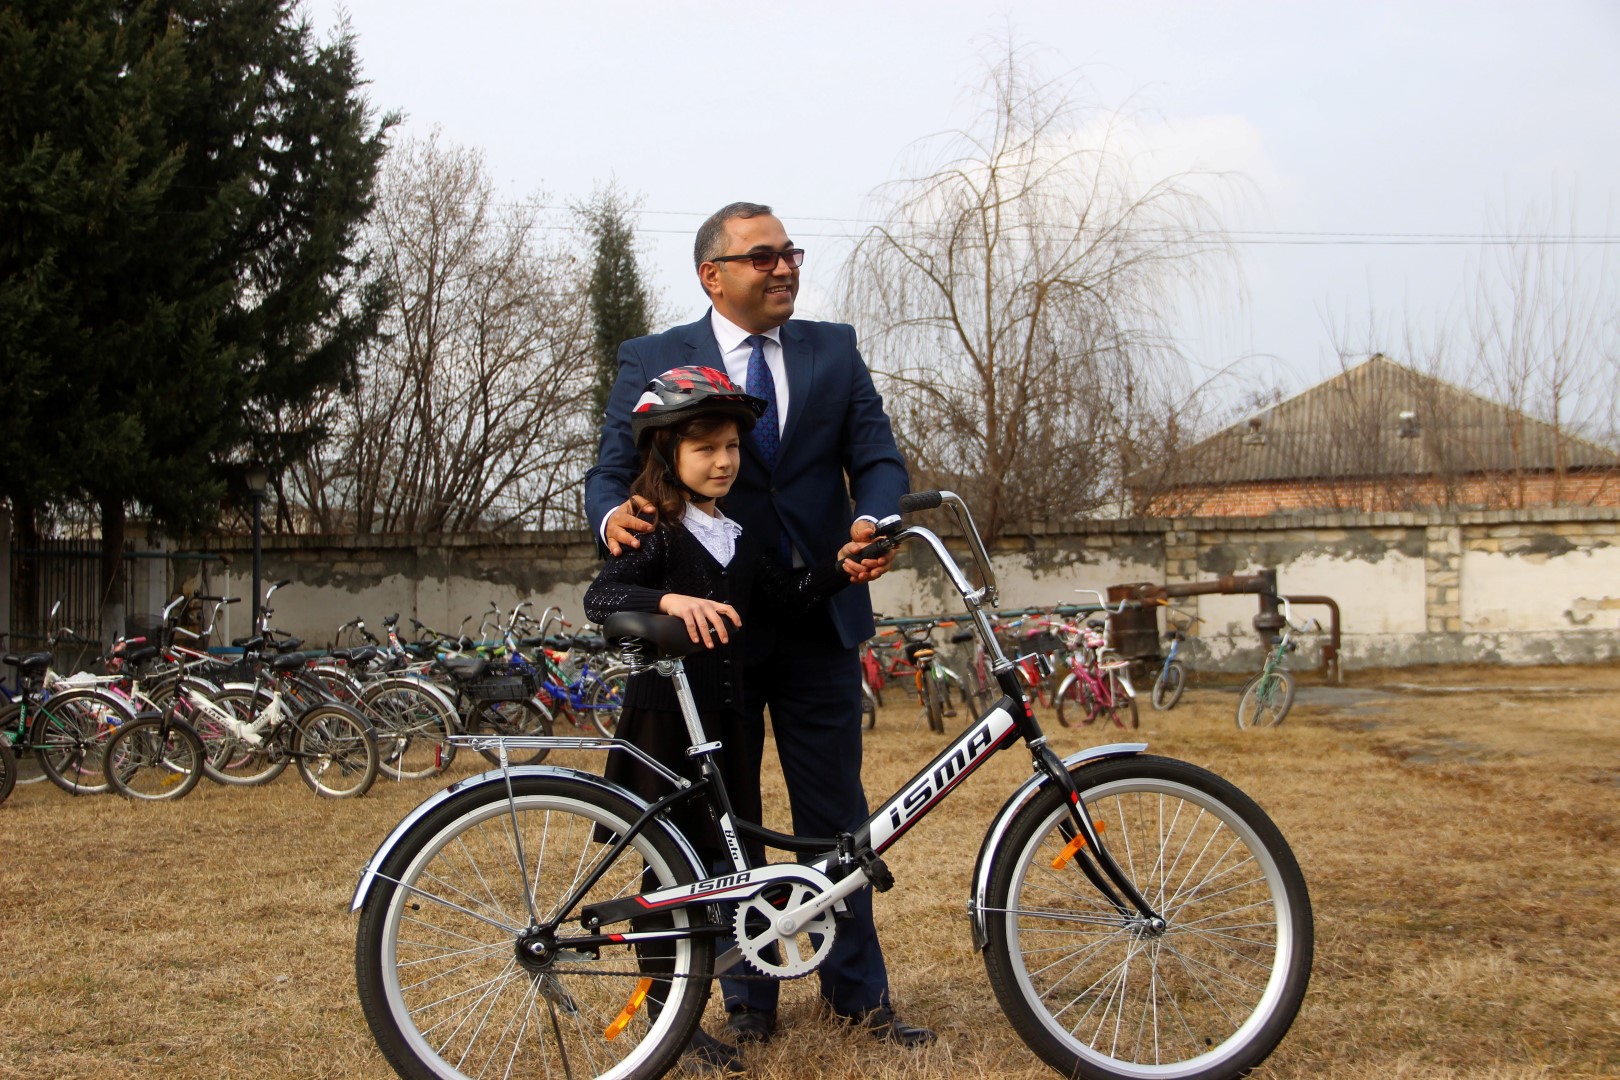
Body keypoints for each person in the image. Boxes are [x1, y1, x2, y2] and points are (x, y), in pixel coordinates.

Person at [583, 202, 933, 1049]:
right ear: (713, 274)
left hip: (814, 613)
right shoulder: (652, 358)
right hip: (708, 645)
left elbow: (877, 456)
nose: (784, 268)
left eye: (791, 254)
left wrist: (876, 523)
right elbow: (608, 475)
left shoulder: (834, 348)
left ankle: (859, 997)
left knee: (835, 819)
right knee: (713, 822)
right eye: (763, 256)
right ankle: (744, 1001)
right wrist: (614, 525)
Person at [583, 365, 867, 1071]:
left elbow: (790, 598)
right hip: (664, 728)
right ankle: (665, 1022)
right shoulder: (656, 528)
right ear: (666, 455)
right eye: (705, 447)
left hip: (727, 727)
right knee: (664, 881)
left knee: (720, 874)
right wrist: (671, 603)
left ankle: (710, 1005)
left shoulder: (736, 534)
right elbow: (603, 596)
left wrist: (842, 569)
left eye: (733, 447)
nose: (723, 460)